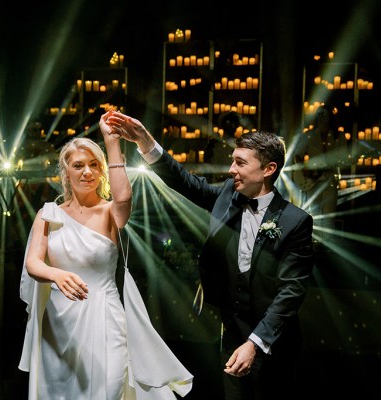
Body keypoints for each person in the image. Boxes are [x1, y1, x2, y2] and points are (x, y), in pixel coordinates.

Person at [106, 111, 315, 400]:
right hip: (231, 332)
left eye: (240, 163)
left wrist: (255, 343)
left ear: (268, 169)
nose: (231, 169)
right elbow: (185, 182)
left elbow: (291, 291)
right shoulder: (229, 195)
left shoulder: (296, 222)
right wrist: (145, 142)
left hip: (274, 340)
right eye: (233, 160)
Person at [18, 109, 193, 399]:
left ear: (101, 171)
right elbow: (33, 263)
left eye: (93, 165)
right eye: (78, 165)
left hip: (105, 317)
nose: (86, 172)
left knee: (109, 387)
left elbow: (123, 197)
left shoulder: (111, 212)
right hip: (58, 324)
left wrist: (111, 141)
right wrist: (56, 274)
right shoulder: (48, 215)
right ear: (66, 172)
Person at [291, 105, 350, 217]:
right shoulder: (309, 135)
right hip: (312, 179)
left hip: (330, 180)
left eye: (324, 115)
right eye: (319, 114)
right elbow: (297, 155)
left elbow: (343, 158)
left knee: (328, 215)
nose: (321, 118)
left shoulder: (339, 136)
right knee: (313, 215)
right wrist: (304, 170)